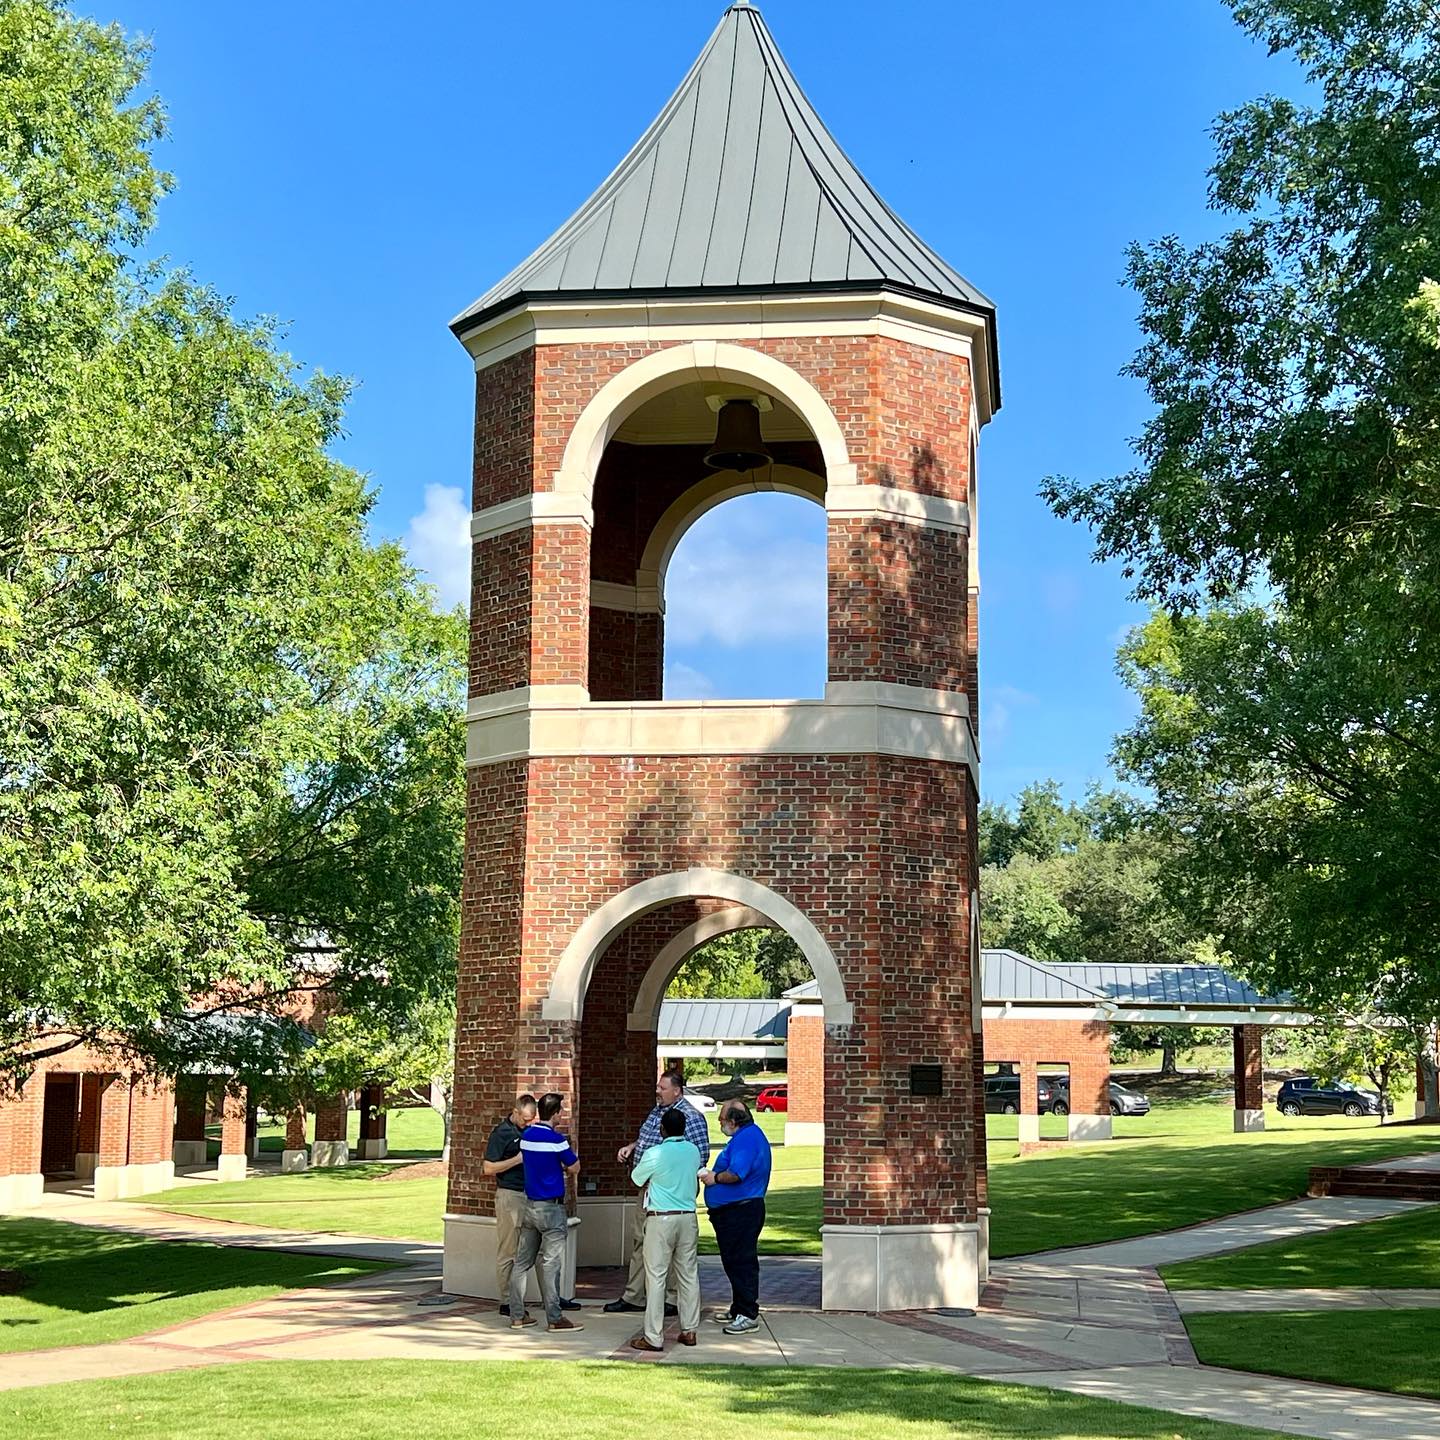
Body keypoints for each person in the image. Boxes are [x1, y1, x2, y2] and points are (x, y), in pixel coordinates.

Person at [602, 1070, 711, 1316]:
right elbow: (649, 1140)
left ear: (677, 1091)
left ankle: (671, 1299)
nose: (657, 1091)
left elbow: (700, 1155)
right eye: (658, 1087)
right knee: (640, 1240)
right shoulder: (657, 1112)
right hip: (648, 1189)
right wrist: (633, 1147)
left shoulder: (691, 1117)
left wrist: (664, 1171)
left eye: (663, 1088)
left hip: (670, 1191)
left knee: (669, 1246)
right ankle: (634, 1296)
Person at [627, 1106, 703, 1352]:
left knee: (656, 1276)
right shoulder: (693, 1151)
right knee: (688, 1275)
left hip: (661, 1218)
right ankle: (689, 1330)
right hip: (688, 1217)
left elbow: (636, 1178)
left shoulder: (655, 1153)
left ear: (662, 1129)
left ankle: (653, 1336)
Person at [509, 1091, 584, 1333]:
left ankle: (517, 1315)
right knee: (551, 1264)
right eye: (560, 1111)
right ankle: (554, 1318)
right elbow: (575, 1167)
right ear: (556, 1113)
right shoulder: (557, 1140)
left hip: (530, 1205)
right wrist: (561, 1164)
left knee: (522, 1263)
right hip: (552, 1208)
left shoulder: (526, 1136)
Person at [700, 1098, 771, 1335]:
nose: (720, 1124)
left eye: (721, 1119)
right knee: (733, 1261)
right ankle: (738, 1307)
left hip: (741, 1210)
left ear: (733, 1121)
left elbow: (736, 1174)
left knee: (741, 1262)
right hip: (735, 1210)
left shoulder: (747, 1139)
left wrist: (714, 1178)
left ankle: (748, 1314)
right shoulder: (746, 1137)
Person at [482, 1093, 537, 1316]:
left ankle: (520, 1298)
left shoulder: (531, 1132)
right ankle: (507, 1300)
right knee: (508, 1250)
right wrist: (518, 1159)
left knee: (528, 1249)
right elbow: (488, 1168)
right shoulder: (501, 1133)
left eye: (531, 1119)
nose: (527, 1123)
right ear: (515, 1112)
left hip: (530, 1195)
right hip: (509, 1195)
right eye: (525, 1119)